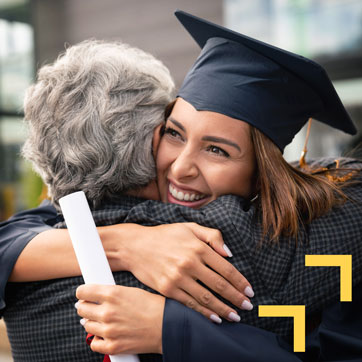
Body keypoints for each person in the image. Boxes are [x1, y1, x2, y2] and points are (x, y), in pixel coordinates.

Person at [1, 10, 362, 362]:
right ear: (146, 141)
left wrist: (168, 325)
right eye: (174, 134)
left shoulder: (35, 268)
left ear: (265, 172)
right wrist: (126, 243)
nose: (182, 166)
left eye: (217, 149)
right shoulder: (253, 245)